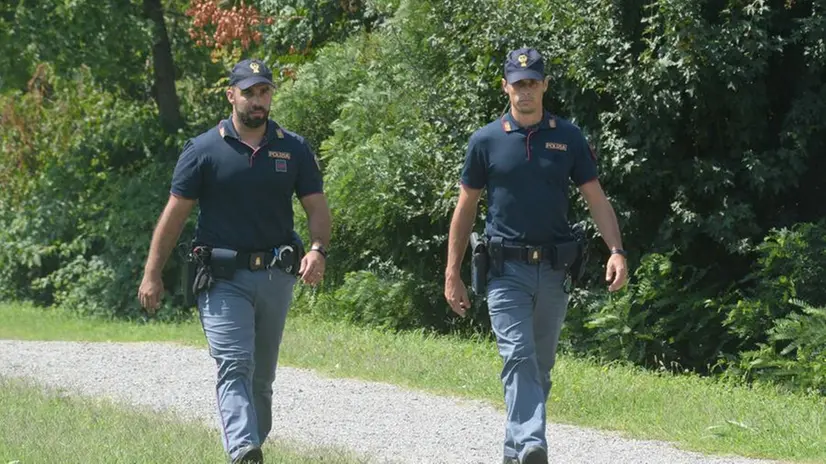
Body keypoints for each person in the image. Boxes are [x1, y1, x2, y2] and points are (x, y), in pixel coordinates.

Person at [137, 58, 332, 464]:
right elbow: (173, 218)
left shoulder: (292, 147)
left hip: (276, 276)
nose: (258, 100)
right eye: (249, 92)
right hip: (222, 278)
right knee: (234, 364)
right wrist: (152, 273)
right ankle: (243, 449)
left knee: (261, 379)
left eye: (264, 92)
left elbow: (316, 206)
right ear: (231, 95)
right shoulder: (203, 150)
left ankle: (252, 445)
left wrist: (317, 248)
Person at [443, 47, 628, 464]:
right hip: (504, 271)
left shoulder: (569, 137)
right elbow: (465, 208)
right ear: (505, 86)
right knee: (518, 356)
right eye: (517, 83)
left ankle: (516, 454)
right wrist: (452, 272)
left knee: (539, 366)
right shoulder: (485, 140)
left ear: (544, 85)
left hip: (555, 270)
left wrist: (615, 250)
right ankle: (531, 443)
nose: (525, 91)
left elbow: (596, 198)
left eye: (532, 83)